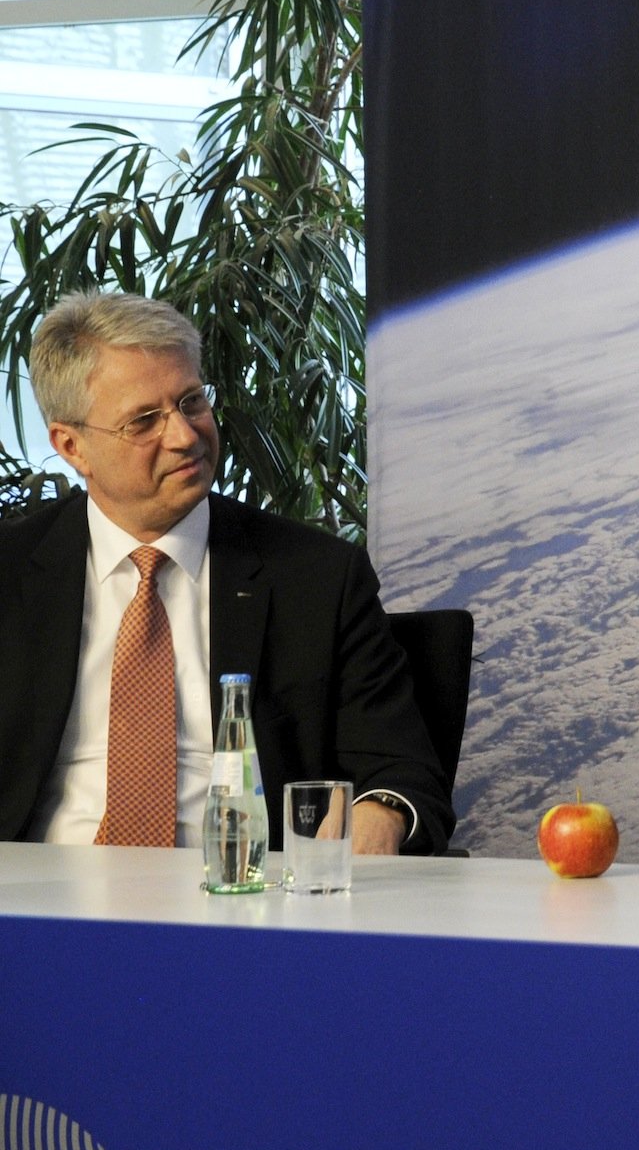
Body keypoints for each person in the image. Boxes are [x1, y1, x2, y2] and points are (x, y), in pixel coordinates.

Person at [0, 293, 452, 854]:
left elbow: (401, 773)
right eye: (144, 421)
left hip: (245, 901)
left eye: (191, 402)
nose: (185, 435)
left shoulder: (316, 577)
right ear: (72, 446)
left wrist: (379, 814)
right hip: (35, 902)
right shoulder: (11, 572)